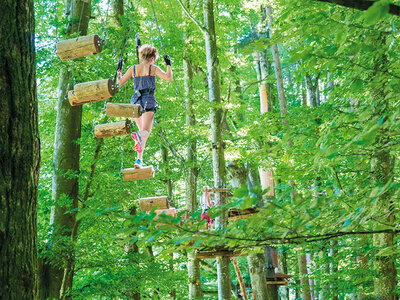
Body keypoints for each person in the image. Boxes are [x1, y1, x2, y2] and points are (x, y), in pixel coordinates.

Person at [117, 44, 173, 168]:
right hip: (148, 100)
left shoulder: (133, 69)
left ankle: (139, 160)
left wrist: (119, 70)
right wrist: (168, 64)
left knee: (142, 134)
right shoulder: (152, 68)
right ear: (152, 58)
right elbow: (168, 78)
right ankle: (138, 140)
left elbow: (119, 83)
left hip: (136, 101)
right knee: (145, 132)